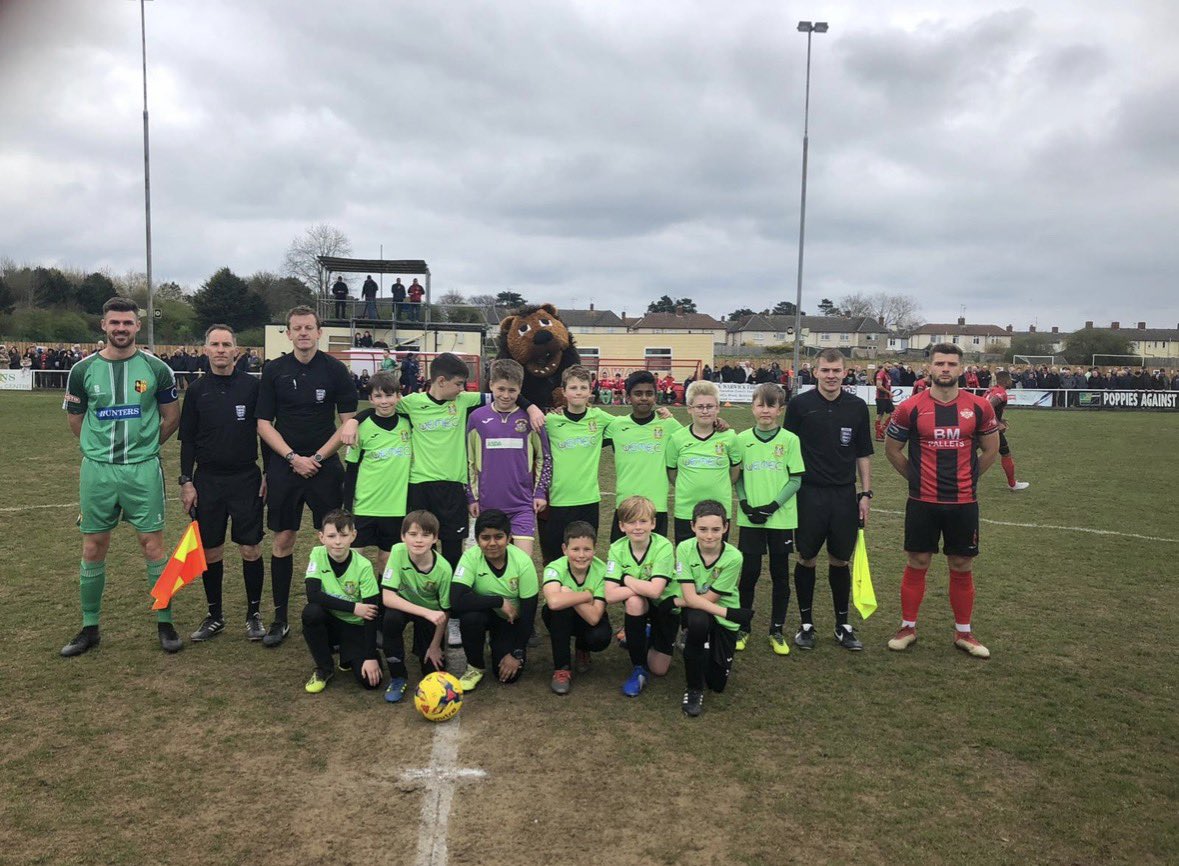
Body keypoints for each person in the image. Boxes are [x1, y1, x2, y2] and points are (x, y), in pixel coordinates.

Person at [340, 352, 542, 571]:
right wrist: (354, 421)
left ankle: (452, 591)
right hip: (420, 486)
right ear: (442, 381)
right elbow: (381, 406)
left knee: (453, 551)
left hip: (453, 487)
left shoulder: (464, 401)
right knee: (422, 548)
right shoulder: (411, 403)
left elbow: (503, 393)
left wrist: (531, 407)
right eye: (459, 384)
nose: (462, 389)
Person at [60, 296, 182, 657]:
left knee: (153, 546)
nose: (121, 328)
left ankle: (165, 622)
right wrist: (100, 449)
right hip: (98, 471)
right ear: (104, 325)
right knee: (93, 546)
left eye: (127, 323)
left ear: (137, 326)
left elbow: (171, 417)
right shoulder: (82, 370)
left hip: (142, 471)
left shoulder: (157, 369)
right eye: (114, 322)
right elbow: (75, 419)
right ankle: (89, 627)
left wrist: (144, 447)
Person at [884, 343, 1000, 659]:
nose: (945, 369)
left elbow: (991, 449)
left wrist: (970, 478)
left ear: (961, 368)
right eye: (939, 363)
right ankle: (907, 628)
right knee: (917, 561)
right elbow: (892, 450)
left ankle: (964, 633)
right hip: (922, 500)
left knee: (961, 564)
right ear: (929, 368)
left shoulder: (979, 407)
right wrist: (916, 478)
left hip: (963, 502)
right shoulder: (909, 408)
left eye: (951, 364)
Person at [256, 305, 358, 647]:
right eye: (297, 328)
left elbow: (348, 423)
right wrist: (291, 457)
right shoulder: (274, 370)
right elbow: (263, 424)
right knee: (283, 538)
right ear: (288, 333)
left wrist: (316, 458)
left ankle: (335, 616)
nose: (303, 333)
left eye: (309, 327)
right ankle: (280, 618)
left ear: (319, 332)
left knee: (334, 541)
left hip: (324, 468)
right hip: (285, 468)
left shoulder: (335, 370)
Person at [178, 324, 267, 643]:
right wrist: (186, 481)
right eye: (214, 344)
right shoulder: (197, 391)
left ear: (236, 351)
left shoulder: (252, 387)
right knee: (211, 550)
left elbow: (265, 432)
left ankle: (254, 615)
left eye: (226, 344)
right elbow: (187, 440)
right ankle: (215, 615)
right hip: (208, 481)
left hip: (246, 478)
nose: (220, 350)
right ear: (206, 350)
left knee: (250, 548)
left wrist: (269, 472)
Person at [784, 348, 874, 651]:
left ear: (845, 372)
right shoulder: (800, 405)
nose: (831, 376)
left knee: (840, 559)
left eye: (836, 371)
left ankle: (842, 625)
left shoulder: (857, 407)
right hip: (808, 494)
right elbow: (786, 448)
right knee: (806, 557)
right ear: (815, 372)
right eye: (825, 370)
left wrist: (866, 493)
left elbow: (863, 453)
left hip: (844, 495)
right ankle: (806, 624)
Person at [733, 383, 804, 654]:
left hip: (780, 519)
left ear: (780, 410)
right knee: (749, 574)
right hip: (750, 519)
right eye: (760, 405)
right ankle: (743, 628)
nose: (765, 410)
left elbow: (795, 480)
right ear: (752, 408)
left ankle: (776, 630)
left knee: (779, 575)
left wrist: (773, 506)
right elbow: (738, 477)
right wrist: (745, 504)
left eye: (771, 405)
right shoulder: (741, 439)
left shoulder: (790, 440)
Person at [325, 370, 412, 576]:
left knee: (387, 560)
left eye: (389, 395)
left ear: (398, 396)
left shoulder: (408, 423)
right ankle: (355, 594)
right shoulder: (361, 428)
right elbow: (352, 470)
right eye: (378, 396)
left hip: (395, 508)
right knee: (356, 558)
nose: (384, 401)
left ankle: (383, 596)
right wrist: (348, 508)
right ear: (371, 399)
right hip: (365, 506)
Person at [466, 359, 551, 556]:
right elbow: (469, 461)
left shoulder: (531, 418)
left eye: (512, 390)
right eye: (501, 389)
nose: (506, 395)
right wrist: (472, 497)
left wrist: (539, 493)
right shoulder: (477, 418)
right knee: (490, 562)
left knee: (523, 563)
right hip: (488, 504)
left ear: (520, 389)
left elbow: (544, 458)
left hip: (522, 505)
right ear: (491, 386)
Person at [449, 509, 538, 691]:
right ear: (477, 539)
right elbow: (456, 601)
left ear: (509, 537)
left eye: (498, 537)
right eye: (485, 537)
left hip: (509, 621)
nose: (492, 543)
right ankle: (475, 667)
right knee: (470, 617)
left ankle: (497, 644)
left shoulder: (523, 562)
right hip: (483, 614)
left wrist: (517, 653)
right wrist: (498, 601)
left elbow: (529, 613)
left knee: (508, 677)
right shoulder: (470, 557)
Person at [676, 499, 749, 717]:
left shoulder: (734, 557)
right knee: (698, 621)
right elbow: (692, 598)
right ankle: (693, 689)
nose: (709, 536)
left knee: (717, 684)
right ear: (692, 527)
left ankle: (699, 647)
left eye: (716, 529)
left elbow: (709, 598)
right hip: (704, 611)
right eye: (703, 529)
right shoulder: (684, 548)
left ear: (726, 527)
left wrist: (678, 601)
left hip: (716, 607)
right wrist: (729, 613)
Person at [300, 509, 383, 694]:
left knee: (371, 683)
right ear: (321, 537)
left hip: (355, 627)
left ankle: (350, 655)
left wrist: (370, 657)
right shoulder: (317, 554)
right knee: (311, 612)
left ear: (353, 535)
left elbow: (371, 613)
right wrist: (354, 607)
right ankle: (324, 669)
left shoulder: (364, 566)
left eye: (343, 535)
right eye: (331, 536)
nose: (337, 541)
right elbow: (313, 595)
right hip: (331, 621)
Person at [604, 495, 678, 697]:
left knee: (659, 669)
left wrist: (625, 578)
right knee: (634, 602)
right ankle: (638, 668)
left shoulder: (663, 546)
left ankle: (646, 631)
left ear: (653, 523)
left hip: (665, 606)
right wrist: (641, 587)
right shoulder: (617, 548)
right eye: (631, 522)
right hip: (643, 602)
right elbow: (610, 595)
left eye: (643, 521)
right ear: (621, 526)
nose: (637, 527)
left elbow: (656, 591)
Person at [380, 510, 452, 703]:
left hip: (432, 616)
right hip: (407, 607)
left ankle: (426, 647)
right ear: (403, 536)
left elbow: (444, 611)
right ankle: (398, 676)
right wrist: (426, 612)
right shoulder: (397, 551)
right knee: (391, 619)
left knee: (433, 670)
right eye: (412, 534)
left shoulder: (444, 569)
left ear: (435, 538)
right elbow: (388, 597)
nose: (418, 540)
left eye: (426, 535)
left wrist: (435, 645)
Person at [541, 365, 610, 563]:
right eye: (573, 388)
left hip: (588, 499)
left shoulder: (600, 418)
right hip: (560, 500)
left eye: (583, 387)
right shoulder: (551, 421)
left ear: (590, 390)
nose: (578, 392)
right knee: (557, 556)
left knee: (584, 555)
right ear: (563, 391)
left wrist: (663, 414)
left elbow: (629, 424)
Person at [603, 371, 682, 542]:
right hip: (625, 504)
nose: (644, 398)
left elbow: (694, 438)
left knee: (656, 555)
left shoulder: (668, 424)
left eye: (649, 393)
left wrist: (717, 424)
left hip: (656, 506)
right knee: (620, 554)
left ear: (655, 396)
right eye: (638, 394)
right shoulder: (616, 426)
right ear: (628, 397)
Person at [665, 380, 741, 546]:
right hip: (686, 510)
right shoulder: (677, 438)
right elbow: (672, 473)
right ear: (689, 408)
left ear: (718, 408)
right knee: (686, 556)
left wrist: (722, 484)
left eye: (710, 406)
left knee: (716, 557)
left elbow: (735, 470)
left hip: (719, 511)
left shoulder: (730, 437)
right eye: (699, 407)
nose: (705, 411)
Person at [541, 520, 612, 695]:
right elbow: (554, 602)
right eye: (575, 549)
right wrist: (587, 596)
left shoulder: (602, 570)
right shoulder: (555, 567)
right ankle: (562, 669)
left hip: (587, 617)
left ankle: (582, 647)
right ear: (565, 549)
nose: (581, 555)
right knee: (560, 610)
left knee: (600, 637)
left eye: (587, 549)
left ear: (594, 549)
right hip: (559, 617)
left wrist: (569, 594)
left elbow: (594, 617)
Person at [985, 371, 1030, 492]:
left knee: (968, 453)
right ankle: (1012, 484)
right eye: (1010, 380)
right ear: (1005, 381)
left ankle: (1012, 484)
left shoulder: (991, 390)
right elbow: (989, 405)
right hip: (988, 428)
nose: (1011, 382)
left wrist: (1000, 419)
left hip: (982, 425)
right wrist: (997, 422)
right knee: (1005, 454)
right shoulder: (1001, 393)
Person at [874, 364, 893, 441]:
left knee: (893, 414)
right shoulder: (880, 374)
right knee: (880, 415)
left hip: (887, 398)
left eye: (891, 367)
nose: (890, 368)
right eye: (888, 367)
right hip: (881, 398)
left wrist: (889, 394)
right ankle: (878, 434)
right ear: (884, 366)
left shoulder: (887, 375)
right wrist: (888, 392)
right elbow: (879, 386)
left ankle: (882, 429)